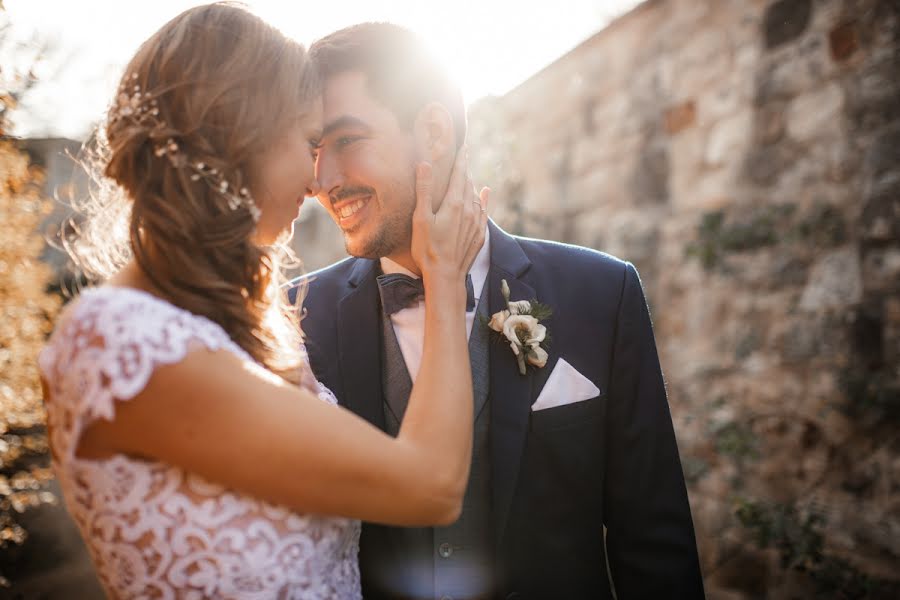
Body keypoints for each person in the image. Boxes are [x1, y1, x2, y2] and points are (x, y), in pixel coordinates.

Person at [38, 4, 487, 598]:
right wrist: (445, 277)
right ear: (240, 139)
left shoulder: (225, 324)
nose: (315, 178)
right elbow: (431, 484)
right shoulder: (121, 341)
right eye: (308, 142)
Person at [298, 22, 706, 599]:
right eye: (314, 150)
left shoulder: (601, 292)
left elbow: (654, 541)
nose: (322, 180)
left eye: (346, 141)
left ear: (433, 131)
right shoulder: (294, 316)